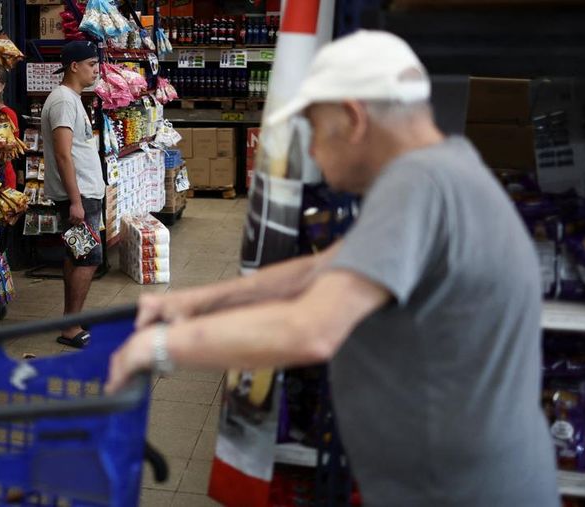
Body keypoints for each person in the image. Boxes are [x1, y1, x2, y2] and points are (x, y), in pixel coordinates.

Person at [106, 30, 559, 507]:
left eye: (315, 129)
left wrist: (155, 348)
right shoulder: (446, 169)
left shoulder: (417, 184)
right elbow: (324, 268)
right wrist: (191, 303)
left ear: (353, 117)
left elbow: (313, 330)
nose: (315, 151)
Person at [41, 41, 104, 349]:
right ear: (73, 66)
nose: (97, 69)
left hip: (84, 192)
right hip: (79, 194)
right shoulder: (64, 101)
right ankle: (69, 328)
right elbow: (64, 154)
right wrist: (76, 200)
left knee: (76, 255)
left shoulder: (72, 99)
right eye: (92, 64)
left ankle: (71, 320)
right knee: (89, 258)